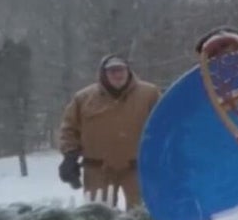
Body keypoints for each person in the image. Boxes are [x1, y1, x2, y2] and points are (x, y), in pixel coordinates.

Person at [58, 55, 162, 208]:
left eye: (121, 70)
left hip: (138, 168)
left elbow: (164, 126)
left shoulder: (150, 94)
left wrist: (164, 155)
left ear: (128, 71)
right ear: (103, 74)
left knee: (144, 214)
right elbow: (69, 129)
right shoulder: (84, 98)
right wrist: (70, 156)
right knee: (99, 215)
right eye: (112, 71)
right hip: (98, 169)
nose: (117, 75)